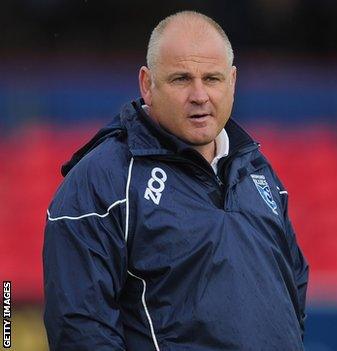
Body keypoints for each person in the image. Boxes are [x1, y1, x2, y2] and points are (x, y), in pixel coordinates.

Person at [43, 11, 309, 350]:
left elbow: (292, 294)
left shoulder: (258, 171)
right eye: (181, 79)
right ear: (147, 85)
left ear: (232, 81)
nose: (199, 95)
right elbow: (80, 329)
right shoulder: (102, 183)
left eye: (212, 79)